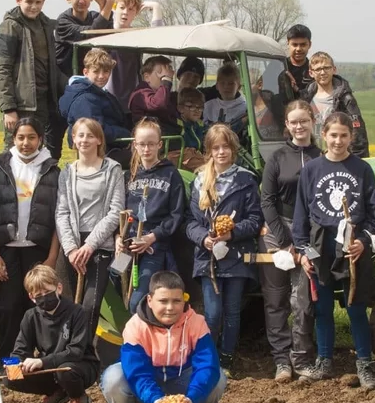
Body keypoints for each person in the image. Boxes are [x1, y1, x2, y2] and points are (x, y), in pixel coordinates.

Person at [294, 111, 375, 388]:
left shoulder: (362, 169)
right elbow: (301, 217)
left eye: (344, 135)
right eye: (333, 135)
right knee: (322, 309)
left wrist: (363, 241)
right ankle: (324, 361)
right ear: (324, 135)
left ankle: (365, 364)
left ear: (351, 137)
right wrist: (304, 251)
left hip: (352, 251)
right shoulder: (311, 170)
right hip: (321, 249)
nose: (338, 141)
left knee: (356, 308)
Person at [100, 270, 227, 403]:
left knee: (218, 377)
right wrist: (155, 399)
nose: (170, 308)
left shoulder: (196, 323)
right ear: (150, 300)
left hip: (182, 382)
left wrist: (192, 398)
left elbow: (207, 365)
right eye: (163, 301)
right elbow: (137, 372)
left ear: (184, 300)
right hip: (147, 384)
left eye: (176, 301)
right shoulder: (135, 327)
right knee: (113, 378)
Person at [185, 123, 264, 374]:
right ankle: (208, 361)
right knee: (212, 313)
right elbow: (190, 222)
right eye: (216, 148)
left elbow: (255, 219)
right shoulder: (199, 181)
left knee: (232, 311)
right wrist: (203, 238)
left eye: (226, 147)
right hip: (207, 257)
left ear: (234, 149)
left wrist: (233, 232)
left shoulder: (245, 180)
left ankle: (227, 359)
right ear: (208, 150)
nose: (221, 152)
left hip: (236, 256)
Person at [0, 117, 61, 361]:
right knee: (8, 306)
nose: (26, 143)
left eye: (31, 137)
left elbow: (59, 216)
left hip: (39, 250)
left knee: (39, 305)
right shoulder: (0, 168)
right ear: (13, 139)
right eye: (21, 137)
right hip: (8, 250)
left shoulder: (52, 170)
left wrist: (52, 258)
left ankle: (39, 358)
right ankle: (9, 358)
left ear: (40, 139)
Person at [258, 100, 321, 382]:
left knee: (303, 300)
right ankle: (281, 360)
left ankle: (302, 358)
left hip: (309, 233)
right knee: (276, 300)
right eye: (294, 122)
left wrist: (305, 240)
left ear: (312, 122)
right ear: (286, 125)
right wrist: (285, 241)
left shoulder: (321, 156)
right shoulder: (277, 157)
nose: (299, 126)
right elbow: (267, 200)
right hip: (277, 232)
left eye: (304, 121)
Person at [6, 265, 99, 403]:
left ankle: (77, 395)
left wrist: (42, 361)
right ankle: (58, 393)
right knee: (9, 375)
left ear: (59, 288)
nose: (44, 297)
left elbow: (76, 352)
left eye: (48, 292)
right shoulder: (30, 316)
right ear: (31, 297)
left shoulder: (77, 312)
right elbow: (20, 349)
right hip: (50, 368)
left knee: (65, 371)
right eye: (39, 295)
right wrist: (12, 364)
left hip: (79, 366)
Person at [55, 118, 126, 317]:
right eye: (80, 135)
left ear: (99, 140)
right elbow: (62, 212)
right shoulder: (67, 172)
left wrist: (90, 245)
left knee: (90, 305)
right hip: (72, 244)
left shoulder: (112, 169)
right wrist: (71, 249)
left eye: (90, 136)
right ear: (73, 139)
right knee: (67, 304)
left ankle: (86, 339)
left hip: (99, 244)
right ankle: (70, 339)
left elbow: (116, 211)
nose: (84, 140)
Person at [120, 118, 187, 312]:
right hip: (129, 244)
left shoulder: (171, 175)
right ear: (134, 145)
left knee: (137, 300)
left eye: (151, 144)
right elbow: (119, 211)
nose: (146, 149)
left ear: (160, 144)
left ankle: (145, 326)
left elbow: (176, 215)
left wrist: (151, 237)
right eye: (142, 144)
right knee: (115, 274)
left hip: (154, 246)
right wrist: (118, 238)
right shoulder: (129, 175)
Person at [51, 0, 117, 160]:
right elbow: (91, 34)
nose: (81, 1)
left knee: (90, 131)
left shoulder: (95, 16)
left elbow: (107, 33)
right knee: (54, 139)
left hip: (90, 84)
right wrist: (107, 2)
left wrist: (104, 3)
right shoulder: (63, 22)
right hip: (64, 87)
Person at [0, 0, 65, 150]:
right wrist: (8, 108)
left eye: (38, 2)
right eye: (29, 2)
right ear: (18, 0)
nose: (34, 6)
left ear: (44, 1)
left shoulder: (47, 25)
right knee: (14, 152)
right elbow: (3, 69)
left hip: (43, 102)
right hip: (21, 104)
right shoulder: (10, 26)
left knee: (39, 151)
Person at [57, 48, 131, 149]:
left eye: (106, 71)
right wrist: (126, 134)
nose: (101, 76)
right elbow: (95, 130)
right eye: (96, 71)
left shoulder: (98, 92)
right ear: (86, 72)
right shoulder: (85, 100)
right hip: (99, 151)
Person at [102, 0, 164, 102]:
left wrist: (156, 7)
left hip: (131, 96)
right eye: (122, 7)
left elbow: (157, 38)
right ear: (114, 8)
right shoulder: (105, 32)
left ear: (136, 12)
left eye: (131, 9)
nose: (125, 12)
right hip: (108, 95)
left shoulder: (136, 35)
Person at [305, 52, 370, 157]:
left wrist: (359, 161)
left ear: (334, 69)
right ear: (311, 73)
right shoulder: (306, 98)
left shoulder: (345, 99)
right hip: (312, 157)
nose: (323, 72)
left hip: (339, 157)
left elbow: (358, 133)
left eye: (326, 68)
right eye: (318, 69)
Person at [127, 55, 180, 134]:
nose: (167, 76)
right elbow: (158, 104)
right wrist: (166, 80)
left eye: (168, 72)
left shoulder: (165, 95)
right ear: (147, 77)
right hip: (149, 138)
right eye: (160, 72)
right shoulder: (140, 95)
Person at [276, 24, 314, 107]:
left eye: (303, 45)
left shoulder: (315, 70)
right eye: (295, 45)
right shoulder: (276, 67)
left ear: (309, 45)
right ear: (288, 44)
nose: (298, 49)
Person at [202, 63, 248, 131]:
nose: (226, 87)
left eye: (231, 83)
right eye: (222, 83)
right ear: (217, 86)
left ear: (239, 87)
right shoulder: (208, 106)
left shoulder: (245, 108)